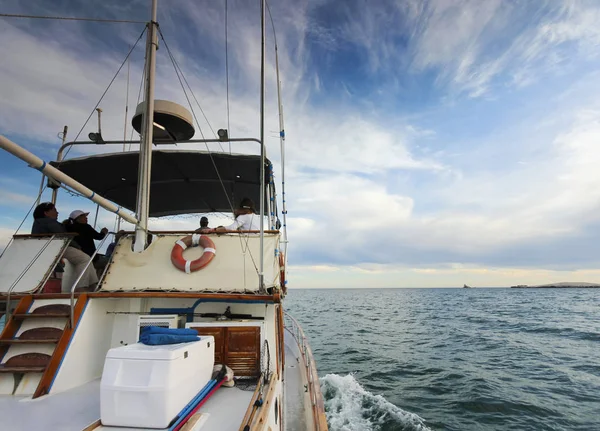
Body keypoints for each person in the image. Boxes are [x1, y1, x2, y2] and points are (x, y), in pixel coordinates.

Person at [32, 202, 98, 292]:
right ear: (46, 213)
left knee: (87, 258)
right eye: (54, 210)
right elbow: (64, 236)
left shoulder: (38, 223)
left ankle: (93, 284)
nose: (57, 212)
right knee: (84, 258)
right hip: (56, 247)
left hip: (46, 247)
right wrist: (78, 247)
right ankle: (82, 287)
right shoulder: (50, 222)